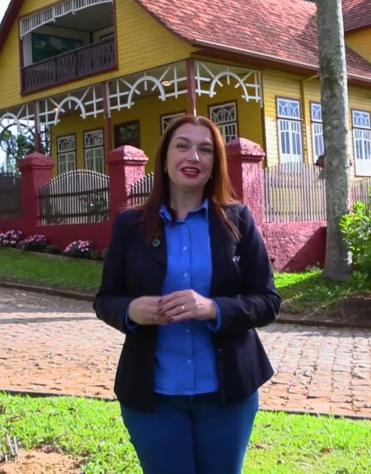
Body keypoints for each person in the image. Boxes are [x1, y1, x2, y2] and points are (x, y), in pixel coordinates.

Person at [93, 115, 281, 474]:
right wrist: (131, 311)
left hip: (228, 396)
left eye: (205, 149)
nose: (193, 156)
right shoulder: (130, 225)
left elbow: (269, 301)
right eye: (183, 146)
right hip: (153, 397)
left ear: (214, 164)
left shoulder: (238, 221)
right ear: (164, 158)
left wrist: (213, 308)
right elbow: (106, 300)